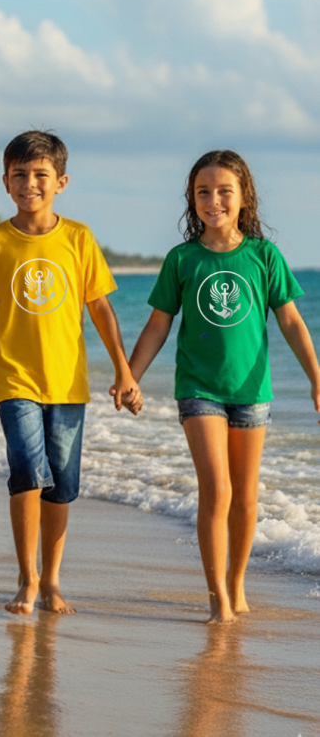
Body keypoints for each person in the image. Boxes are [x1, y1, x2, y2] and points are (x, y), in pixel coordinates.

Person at [128, 150, 320, 624]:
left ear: (243, 196)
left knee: (247, 494)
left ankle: (236, 583)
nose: (213, 200)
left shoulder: (263, 256)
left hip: (252, 391)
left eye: (223, 191)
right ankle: (217, 596)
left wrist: (317, 379)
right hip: (199, 389)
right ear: (192, 199)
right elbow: (158, 325)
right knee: (216, 488)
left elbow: (292, 322)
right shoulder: (182, 259)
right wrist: (129, 376)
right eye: (203, 192)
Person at [0, 130, 141, 616]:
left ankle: (54, 579)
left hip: (67, 384)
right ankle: (28, 577)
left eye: (40, 175)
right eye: (20, 175)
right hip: (13, 379)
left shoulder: (78, 238)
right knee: (27, 473)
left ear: (61, 181)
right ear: (5, 181)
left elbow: (101, 308)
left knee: (62, 485)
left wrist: (124, 369)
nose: (29, 184)